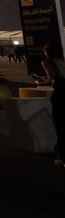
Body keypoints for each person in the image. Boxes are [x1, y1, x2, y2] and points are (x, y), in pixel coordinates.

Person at [35, 39, 65, 167]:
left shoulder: (47, 62)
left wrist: (39, 83)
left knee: (60, 125)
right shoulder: (63, 61)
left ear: (47, 52)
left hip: (61, 95)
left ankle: (62, 156)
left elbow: (51, 78)